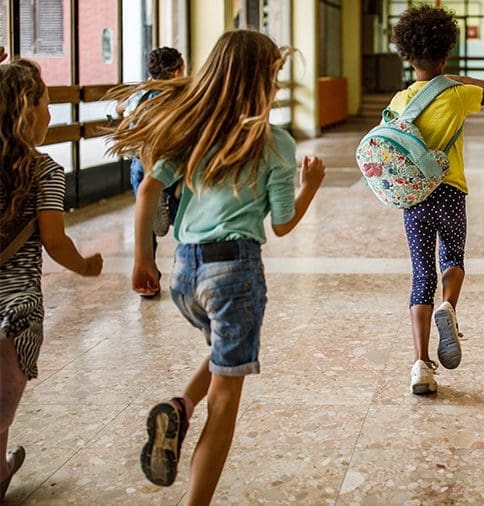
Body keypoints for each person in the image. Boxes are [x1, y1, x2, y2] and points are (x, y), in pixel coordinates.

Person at [107, 30, 325, 503]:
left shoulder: (194, 132)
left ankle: (181, 406)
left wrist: (143, 259)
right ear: (263, 82)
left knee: (227, 352)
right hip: (235, 272)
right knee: (225, 399)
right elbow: (283, 224)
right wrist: (309, 185)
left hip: (185, 272)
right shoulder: (275, 142)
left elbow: (147, 190)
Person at [388, 5, 484, 395]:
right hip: (450, 192)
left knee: (421, 275)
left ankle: (421, 365)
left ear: (408, 56)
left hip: (414, 198)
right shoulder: (456, 95)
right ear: (445, 54)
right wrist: (452, 78)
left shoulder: (400, 99)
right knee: (452, 257)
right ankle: (449, 307)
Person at [0, 59, 103, 501]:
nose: (50, 112)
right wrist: (84, 266)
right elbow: (54, 241)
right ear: (27, 111)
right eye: (45, 103)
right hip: (16, 306)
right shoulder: (45, 171)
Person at [116, 47, 186, 297]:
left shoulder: (140, 94)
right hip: (169, 165)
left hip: (140, 163)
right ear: (176, 71)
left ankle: (149, 276)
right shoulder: (176, 95)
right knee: (184, 218)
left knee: (144, 218)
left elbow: (120, 108)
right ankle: (186, 270)